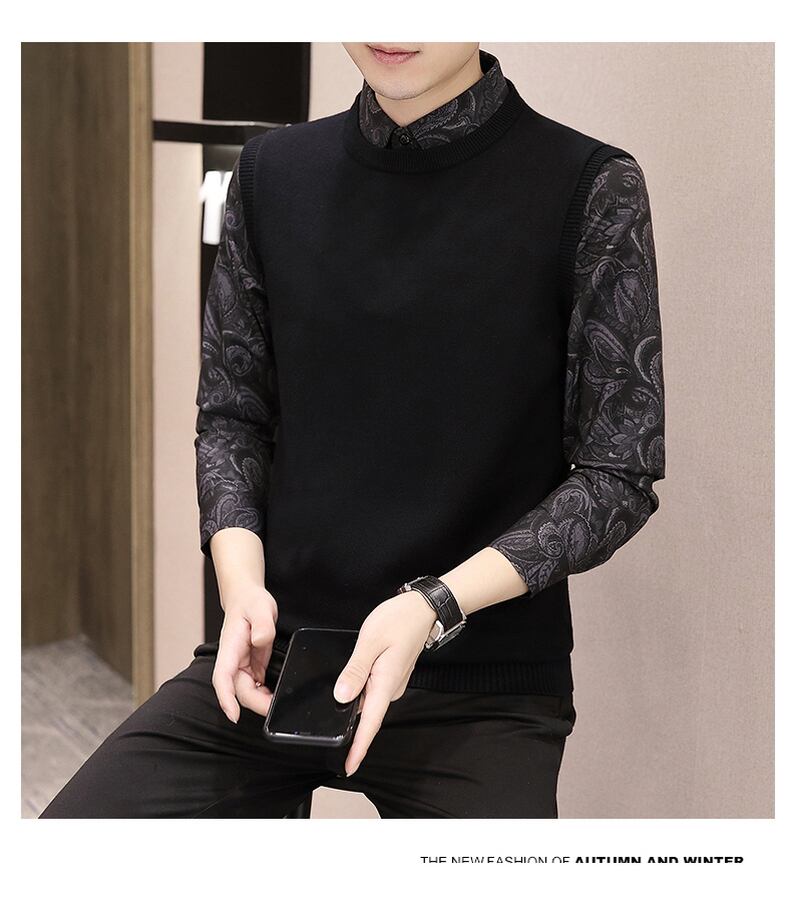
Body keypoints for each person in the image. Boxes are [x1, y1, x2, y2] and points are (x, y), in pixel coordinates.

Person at [40, 42, 665, 819]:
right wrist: (240, 589)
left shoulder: (591, 186)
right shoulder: (270, 173)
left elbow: (617, 473)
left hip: (480, 690)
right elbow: (233, 414)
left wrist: (434, 603)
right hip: (279, 662)